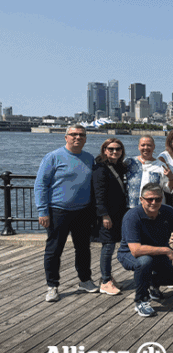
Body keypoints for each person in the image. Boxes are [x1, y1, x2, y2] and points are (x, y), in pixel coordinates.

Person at [117, 183, 173, 317]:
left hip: (159, 254)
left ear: (162, 199)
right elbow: (136, 250)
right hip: (130, 254)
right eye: (149, 199)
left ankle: (154, 283)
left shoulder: (168, 211)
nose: (154, 202)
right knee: (145, 261)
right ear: (141, 200)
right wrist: (166, 250)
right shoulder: (132, 216)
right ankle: (141, 300)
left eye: (157, 199)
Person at [36, 124, 98, 302]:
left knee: (83, 249)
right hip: (58, 211)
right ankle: (52, 286)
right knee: (54, 250)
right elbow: (40, 184)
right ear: (66, 137)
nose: (77, 137)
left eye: (81, 135)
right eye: (73, 134)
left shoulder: (89, 158)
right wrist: (42, 211)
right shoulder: (53, 157)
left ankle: (85, 280)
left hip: (83, 211)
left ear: (85, 139)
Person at [92, 138, 128, 296]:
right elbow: (98, 194)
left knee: (111, 245)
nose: (115, 151)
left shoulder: (119, 167)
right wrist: (104, 215)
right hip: (107, 215)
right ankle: (105, 281)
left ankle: (107, 277)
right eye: (111, 149)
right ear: (104, 150)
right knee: (108, 246)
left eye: (118, 149)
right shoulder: (100, 168)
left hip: (117, 213)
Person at [124, 135, 173, 208]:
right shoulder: (129, 162)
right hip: (131, 206)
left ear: (154, 147)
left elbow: (168, 189)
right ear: (138, 147)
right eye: (143, 145)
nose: (146, 148)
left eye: (149, 145)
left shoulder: (161, 165)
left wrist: (171, 179)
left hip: (153, 208)